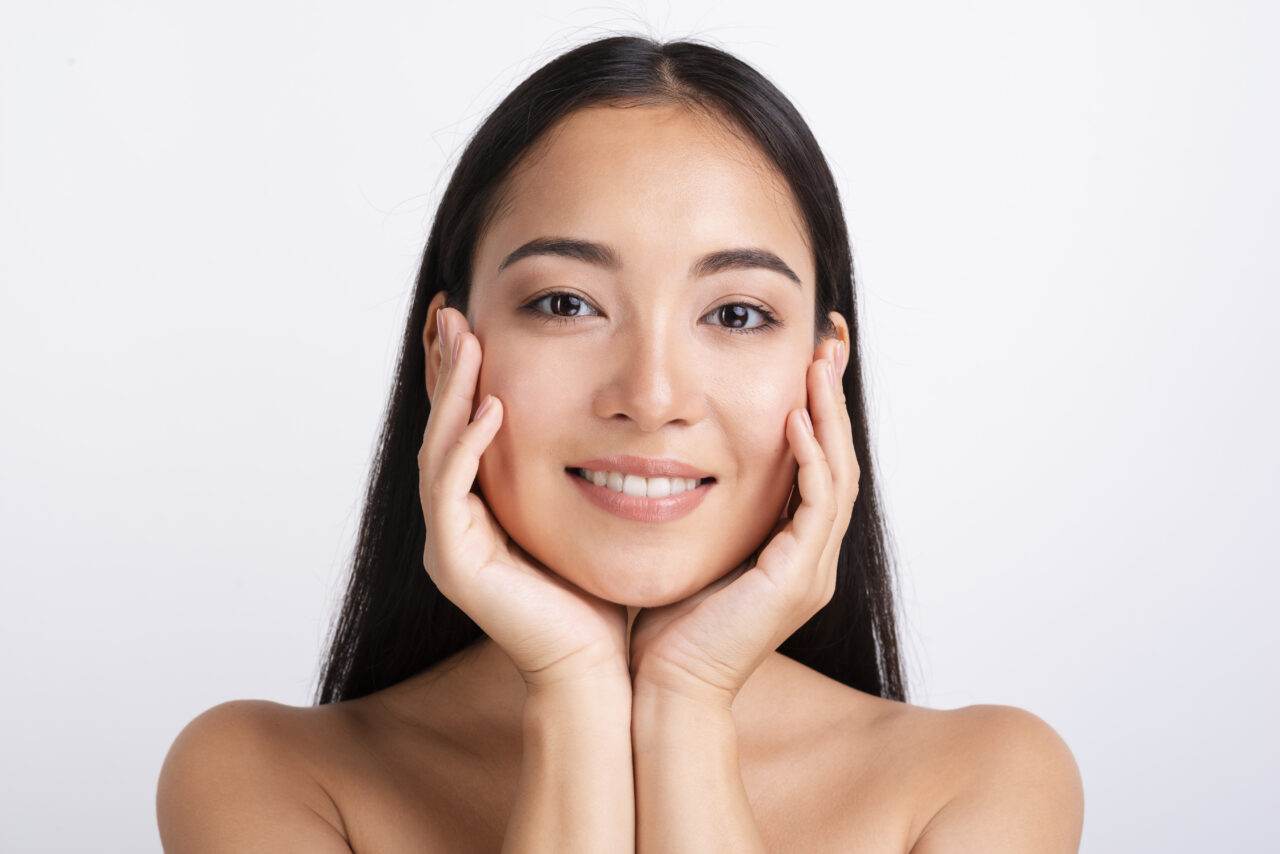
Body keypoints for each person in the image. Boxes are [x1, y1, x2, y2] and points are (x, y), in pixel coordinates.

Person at [156, 34, 1084, 852]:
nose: (651, 397)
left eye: (735, 312)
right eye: (566, 304)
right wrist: (573, 695)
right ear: (447, 358)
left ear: (825, 370)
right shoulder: (263, 778)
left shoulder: (980, 784)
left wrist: (688, 702)